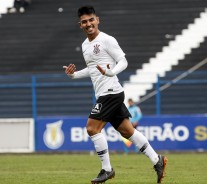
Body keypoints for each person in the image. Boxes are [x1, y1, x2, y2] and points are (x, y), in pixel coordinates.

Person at [63, 6, 167, 184]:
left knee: (91, 128)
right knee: (127, 131)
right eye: (85, 22)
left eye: (91, 20)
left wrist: (111, 73)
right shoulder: (85, 46)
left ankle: (107, 169)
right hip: (107, 93)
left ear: (98, 20)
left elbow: (123, 61)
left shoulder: (107, 40)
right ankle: (157, 160)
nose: (89, 24)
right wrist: (74, 75)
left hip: (110, 92)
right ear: (80, 25)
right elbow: (93, 69)